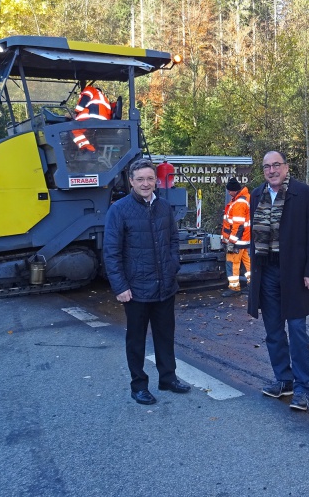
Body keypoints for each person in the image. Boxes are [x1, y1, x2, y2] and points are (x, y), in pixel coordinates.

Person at [103, 158, 191, 405]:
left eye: (149, 178)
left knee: (165, 335)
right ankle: (139, 385)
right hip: (136, 290)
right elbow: (111, 251)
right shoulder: (119, 210)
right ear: (131, 181)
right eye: (140, 179)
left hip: (165, 286)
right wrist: (120, 287)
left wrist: (173, 265)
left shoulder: (163, 207)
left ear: (156, 180)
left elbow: (173, 240)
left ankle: (168, 378)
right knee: (136, 340)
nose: (145, 183)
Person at [247, 151, 309, 411]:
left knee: (298, 330)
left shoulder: (302, 194)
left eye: (276, 165)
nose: (271, 170)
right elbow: (253, 237)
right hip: (266, 271)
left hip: (294, 273)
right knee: (273, 330)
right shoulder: (256, 195)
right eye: (267, 166)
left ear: (286, 167)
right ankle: (284, 379)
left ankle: (302, 387)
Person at [221, 177, 252, 297]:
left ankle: (234, 288)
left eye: (230, 190)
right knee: (248, 264)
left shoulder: (239, 203)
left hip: (237, 241)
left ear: (235, 190)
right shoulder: (245, 198)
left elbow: (237, 226)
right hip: (245, 239)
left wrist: (231, 242)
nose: (229, 193)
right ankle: (252, 285)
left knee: (232, 263)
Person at [72, 85, 113, 154]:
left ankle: (89, 150)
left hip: (92, 118)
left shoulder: (91, 89)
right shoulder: (104, 99)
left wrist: (76, 112)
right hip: (102, 120)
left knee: (73, 129)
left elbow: (84, 99)